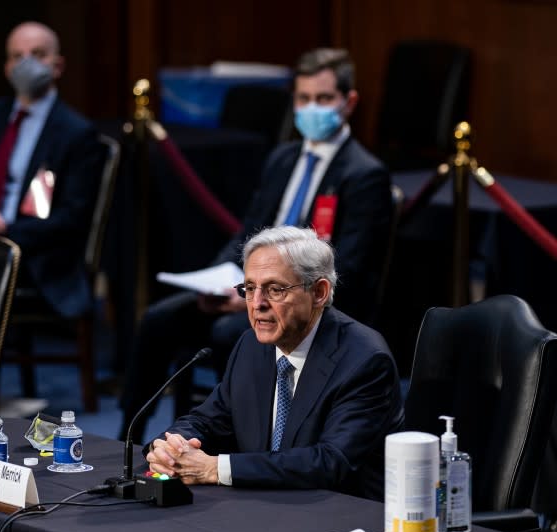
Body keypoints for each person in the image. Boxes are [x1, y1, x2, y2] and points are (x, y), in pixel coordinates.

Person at [119, 48, 392, 442]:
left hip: (308, 302)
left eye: (323, 99)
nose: (311, 108)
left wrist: (259, 296)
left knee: (236, 332)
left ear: (348, 103)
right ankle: (131, 432)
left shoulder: (365, 174)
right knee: (158, 319)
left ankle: (239, 439)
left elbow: (351, 267)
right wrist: (223, 286)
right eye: (303, 99)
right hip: (253, 289)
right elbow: (246, 234)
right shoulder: (282, 158)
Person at [145, 226, 403, 500]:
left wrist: (214, 468)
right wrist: (170, 447)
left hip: (338, 518)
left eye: (275, 289)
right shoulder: (251, 346)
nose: (257, 304)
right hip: (263, 506)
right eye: (249, 288)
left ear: (319, 292)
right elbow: (207, 420)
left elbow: (329, 462)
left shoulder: (364, 361)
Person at [0, 21, 105, 319]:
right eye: (16, 56)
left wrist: (4, 228)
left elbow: (71, 217)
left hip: (31, 247)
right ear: (6, 67)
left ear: (58, 65)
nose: (26, 64)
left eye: (37, 54)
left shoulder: (76, 133)